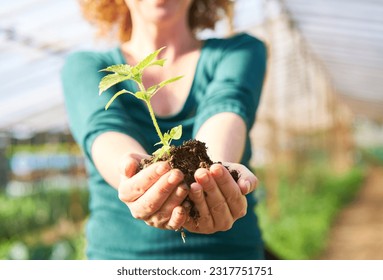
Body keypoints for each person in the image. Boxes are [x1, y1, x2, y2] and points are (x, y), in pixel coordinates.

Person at [61, 0, 267, 260]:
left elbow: (226, 109)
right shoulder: (86, 65)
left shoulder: (240, 51)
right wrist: (134, 177)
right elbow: (104, 130)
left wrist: (212, 173)